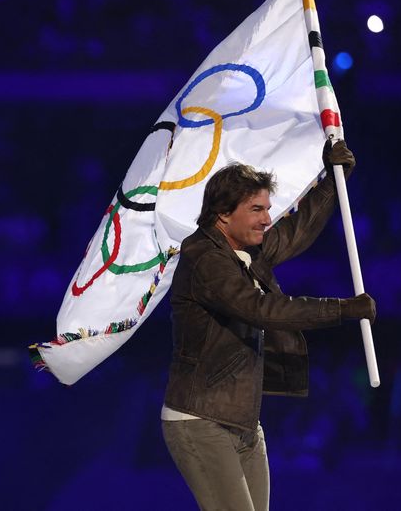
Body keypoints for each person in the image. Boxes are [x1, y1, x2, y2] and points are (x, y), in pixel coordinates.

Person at [161, 140, 376, 511]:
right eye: (257, 209)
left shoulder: (246, 250)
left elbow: (295, 232)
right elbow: (261, 309)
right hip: (199, 421)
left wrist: (332, 180)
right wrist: (341, 309)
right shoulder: (203, 258)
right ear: (223, 214)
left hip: (243, 422)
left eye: (268, 209)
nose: (266, 219)